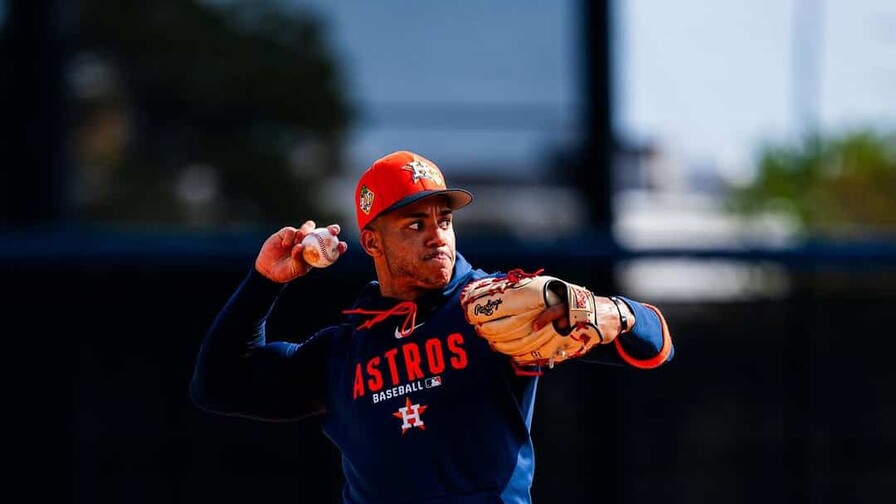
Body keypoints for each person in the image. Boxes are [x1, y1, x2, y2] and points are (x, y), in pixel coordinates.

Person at [190, 150, 675, 504]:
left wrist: (617, 314)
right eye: (414, 224)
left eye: (444, 220)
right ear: (372, 242)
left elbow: (657, 345)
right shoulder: (341, 353)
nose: (437, 236)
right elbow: (218, 386)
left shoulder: (493, 308)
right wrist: (263, 281)